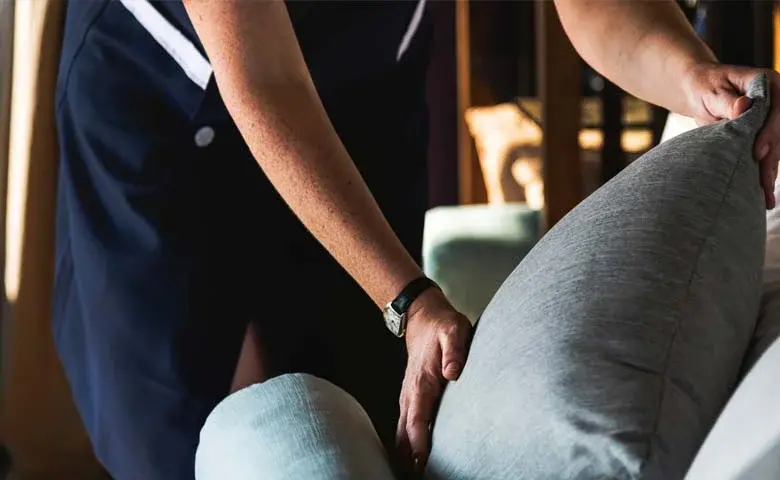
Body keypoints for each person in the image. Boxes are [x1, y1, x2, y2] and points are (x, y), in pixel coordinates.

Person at [52, 0, 780, 479]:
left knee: (371, 413)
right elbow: (267, 78)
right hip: (174, 96)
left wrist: (694, 76)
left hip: (363, 79)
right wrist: (407, 298)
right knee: (189, 433)